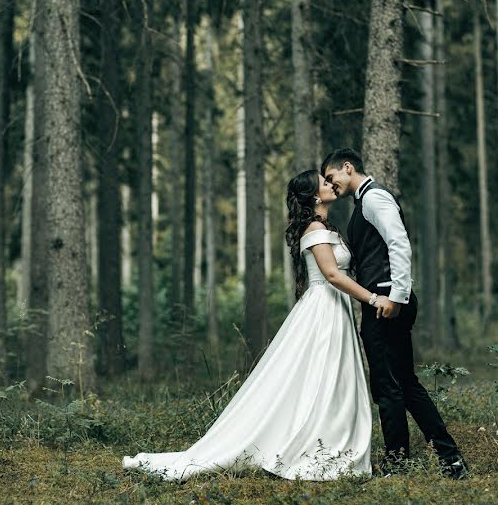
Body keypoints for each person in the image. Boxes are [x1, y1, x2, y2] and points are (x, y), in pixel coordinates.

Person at [122, 169, 385, 482]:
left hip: (333, 308)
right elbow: (332, 275)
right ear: (315, 196)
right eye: (324, 182)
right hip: (323, 310)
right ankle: (314, 443)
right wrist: (372, 299)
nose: (330, 185)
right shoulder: (314, 227)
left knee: (330, 377)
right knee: (323, 375)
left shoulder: (326, 226)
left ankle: (329, 437)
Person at [321, 148, 468, 479]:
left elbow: (399, 243)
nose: (332, 184)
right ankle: (450, 459)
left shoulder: (374, 199)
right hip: (382, 301)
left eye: (332, 177)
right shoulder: (363, 203)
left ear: (348, 168)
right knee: (404, 383)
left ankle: (398, 464)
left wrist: (395, 297)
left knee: (388, 386)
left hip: (386, 304)